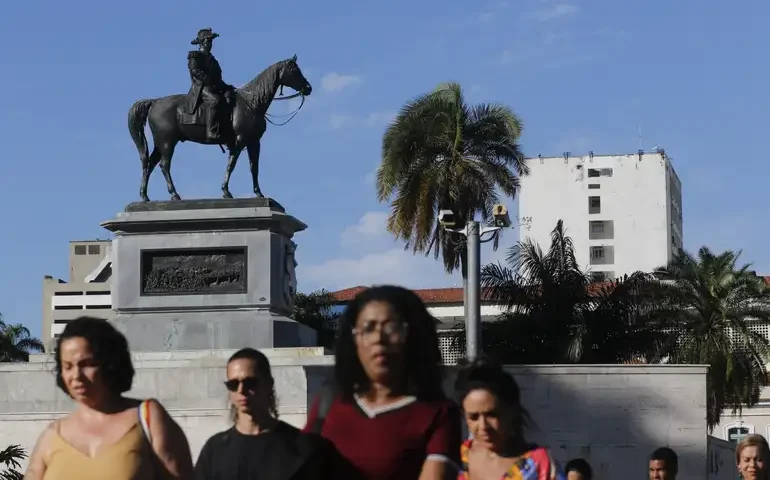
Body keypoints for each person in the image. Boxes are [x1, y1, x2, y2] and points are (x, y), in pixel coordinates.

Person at [302, 285, 462, 480]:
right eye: (367, 328)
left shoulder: (439, 413)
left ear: (413, 336)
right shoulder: (329, 402)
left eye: (391, 327)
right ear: (354, 340)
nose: (379, 338)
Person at [23, 316, 194, 480]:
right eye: (67, 366)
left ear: (110, 363)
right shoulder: (51, 437)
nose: (76, 375)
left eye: (87, 365)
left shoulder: (149, 419)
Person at [195, 348, 330, 480]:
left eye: (250, 382)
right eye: (233, 384)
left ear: (269, 384)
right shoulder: (215, 450)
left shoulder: (303, 447)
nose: (241, 390)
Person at [454, 358, 565, 480]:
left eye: (492, 415)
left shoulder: (540, 467)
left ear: (512, 411)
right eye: (473, 417)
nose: (483, 426)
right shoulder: (452, 460)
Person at [187, 28, 235, 141]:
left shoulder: (213, 60)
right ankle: (211, 131)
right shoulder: (195, 56)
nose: (210, 44)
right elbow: (194, 70)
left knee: (229, 97)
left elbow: (218, 77)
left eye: (210, 41)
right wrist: (207, 79)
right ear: (202, 42)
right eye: (207, 41)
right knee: (215, 100)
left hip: (214, 86)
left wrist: (226, 87)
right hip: (201, 88)